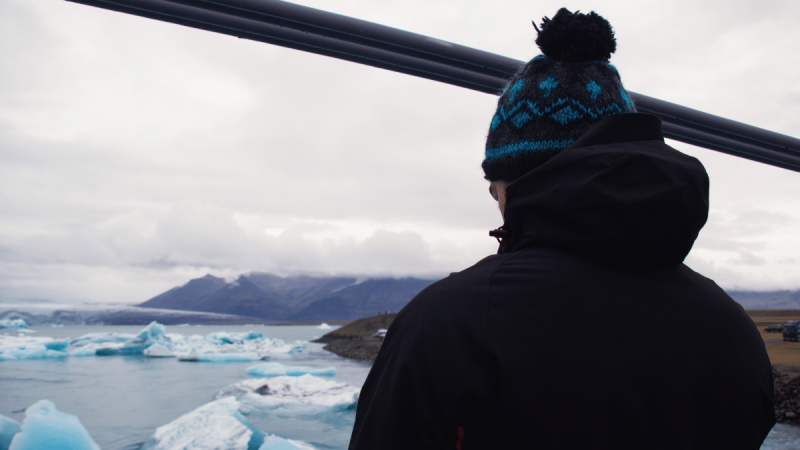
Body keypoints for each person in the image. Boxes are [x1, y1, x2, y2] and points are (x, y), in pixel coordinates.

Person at [348, 8, 775, 450]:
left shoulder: (451, 324)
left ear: (517, 184)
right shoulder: (733, 329)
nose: (495, 202)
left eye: (493, 187)